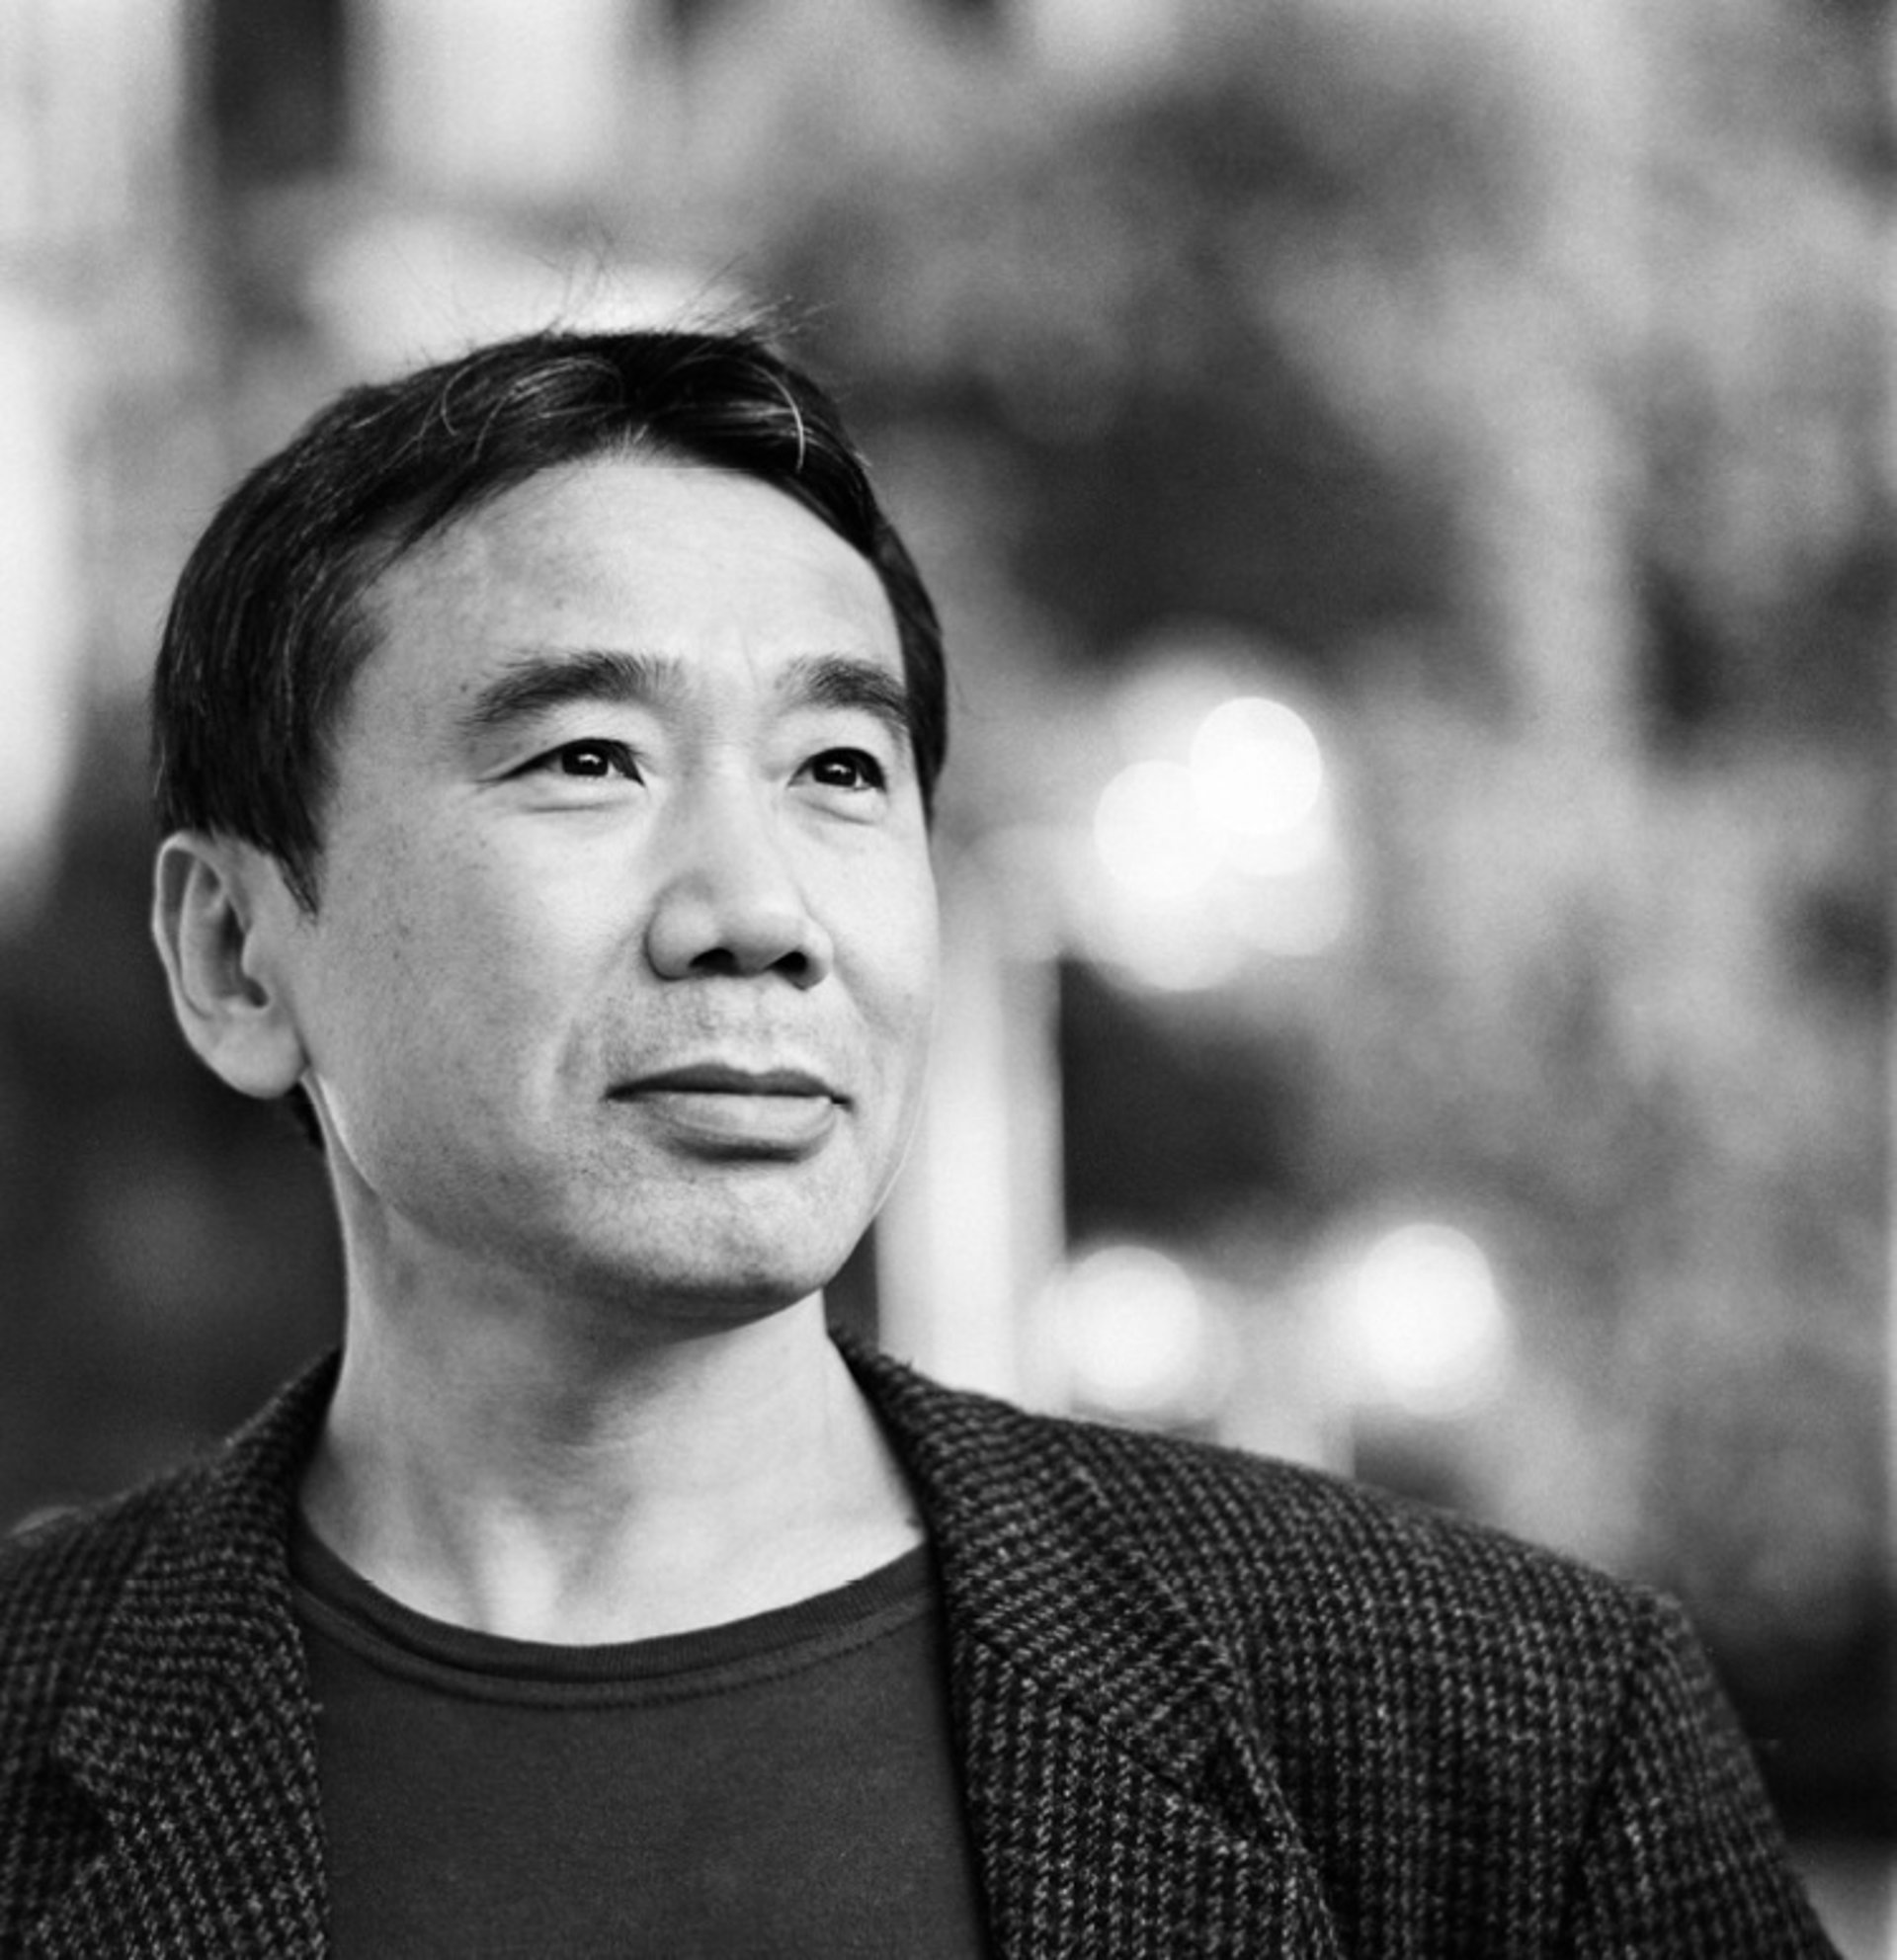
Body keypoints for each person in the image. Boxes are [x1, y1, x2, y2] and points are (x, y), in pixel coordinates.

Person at [0, 321, 1838, 1958]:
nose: (758, 912)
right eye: (587, 759)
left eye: (839, 772)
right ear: (235, 955)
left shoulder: (1498, 1743)